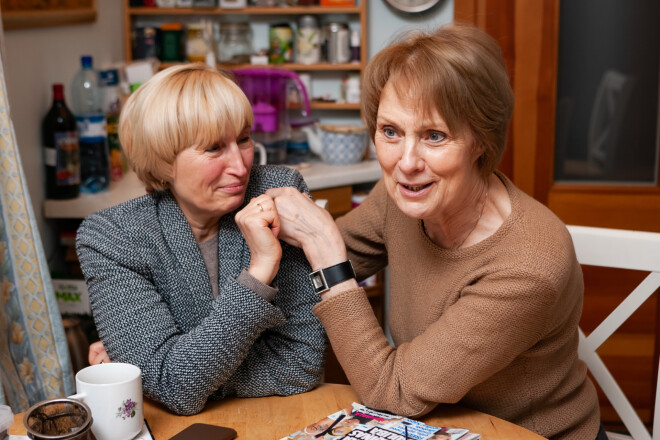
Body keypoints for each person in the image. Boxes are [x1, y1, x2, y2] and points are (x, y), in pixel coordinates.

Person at [266, 24, 602, 440]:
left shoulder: (528, 265)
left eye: (434, 136)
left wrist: (326, 254)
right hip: (434, 425)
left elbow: (393, 389)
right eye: (391, 132)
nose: (406, 163)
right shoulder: (402, 200)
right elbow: (302, 271)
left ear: (481, 140)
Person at [75, 63, 326, 416]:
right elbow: (172, 385)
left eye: (243, 139)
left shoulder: (278, 196)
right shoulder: (112, 238)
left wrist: (190, 380)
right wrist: (259, 272)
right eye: (213, 148)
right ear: (163, 160)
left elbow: (302, 362)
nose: (240, 166)